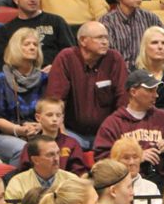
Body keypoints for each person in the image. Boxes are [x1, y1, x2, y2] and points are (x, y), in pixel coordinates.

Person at [45, 22, 127, 150]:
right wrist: (61, 132)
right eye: (99, 37)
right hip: (71, 132)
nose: (105, 42)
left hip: (106, 132)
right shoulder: (66, 58)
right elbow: (55, 99)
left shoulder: (114, 59)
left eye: (106, 38)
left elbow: (123, 99)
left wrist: (116, 130)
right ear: (83, 40)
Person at [93, 71, 164, 172]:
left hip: (159, 178)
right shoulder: (113, 124)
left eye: (156, 90)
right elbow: (102, 160)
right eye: (150, 91)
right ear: (133, 92)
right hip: (125, 178)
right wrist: (136, 158)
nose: (156, 95)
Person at [0, 28, 48, 167]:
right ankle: (16, 180)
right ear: (15, 48)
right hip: (4, 134)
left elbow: (51, 110)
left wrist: (40, 126)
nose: (32, 47)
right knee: (23, 149)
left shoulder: (45, 79)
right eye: (27, 44)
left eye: (35, 44)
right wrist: (18, 130)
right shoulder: (0, 79)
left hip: (38, 132)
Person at [0, 0, 76, 71]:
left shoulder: (56, 22)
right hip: (21, 78)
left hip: (55, 75)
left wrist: (56, 68)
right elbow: (1, 66)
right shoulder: (5, 31)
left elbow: (71, 56)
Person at [3, 136, 78, 204]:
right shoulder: (17, 183)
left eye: (58, 153)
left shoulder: (71, 181)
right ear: (35, 160)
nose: (57, 159)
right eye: (50, 155)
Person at [99, 0, 164, 72]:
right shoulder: (107, 22)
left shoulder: (149, 18)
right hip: (120, 74)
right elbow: (108, 57)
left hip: (149, 72)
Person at [16, 98, 88, 176]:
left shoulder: (72, 143)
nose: (54, 119)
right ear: (38, 118)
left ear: (62, 118)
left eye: (58, 115)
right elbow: (24, 173)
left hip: (67, 182)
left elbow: (79, 172)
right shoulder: (31, 145)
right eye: (49, 115)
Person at [110, 137, 162, 204]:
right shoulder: (110, 187)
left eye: (135, 157)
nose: (132, 162)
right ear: (116, 161)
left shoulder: (151, 187)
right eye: (126, 158)